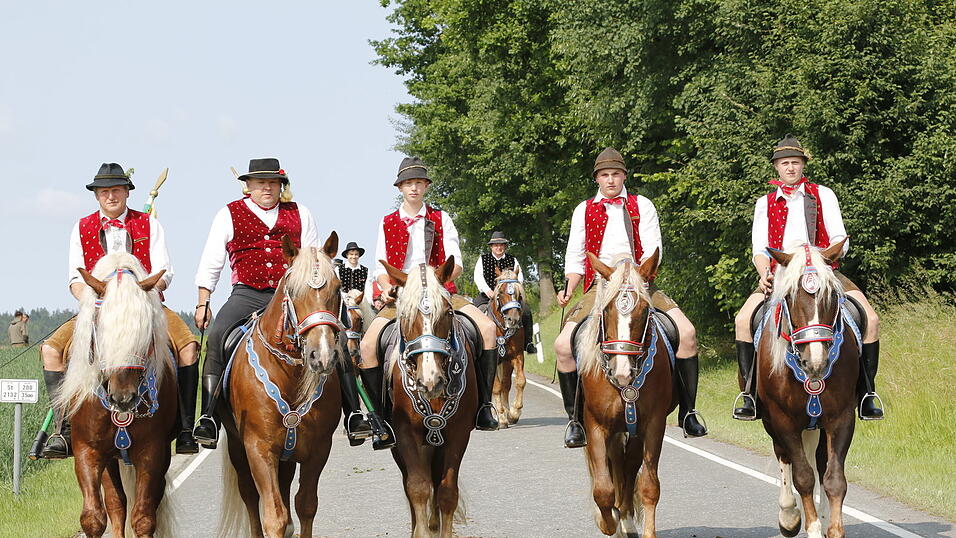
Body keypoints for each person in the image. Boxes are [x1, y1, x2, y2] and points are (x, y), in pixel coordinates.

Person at [191, 158, 371, 449]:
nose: (267, 187)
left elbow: (316, 259)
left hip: (296, 295)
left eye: (273, 183)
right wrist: (203, 302)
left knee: (335, 338)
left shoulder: (301, 212)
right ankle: (208, 417)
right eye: (260, 182)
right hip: (247, 293)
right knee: (216, 337)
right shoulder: (228, 214)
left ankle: (354, 415)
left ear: (281, 186)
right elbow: (212, 261)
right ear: (247, 186)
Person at [40, 163, 200, 459]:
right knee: (51, 350)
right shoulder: (82, 226)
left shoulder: (149, 224)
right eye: (104, 192)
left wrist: (143, 292)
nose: (110, 196)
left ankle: (186, 429)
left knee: (188, 347)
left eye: (116, 190)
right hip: (98, 308)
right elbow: (76, 277)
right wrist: (94, 300)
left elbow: (165, 271)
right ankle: (63, 431)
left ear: (127, 193)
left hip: (145, 306)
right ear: (97, 196)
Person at [554, 148, 708, 447]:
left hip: (640, 282)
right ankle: (575, 421)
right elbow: (575, 255)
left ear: (624, 176)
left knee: (687, 333)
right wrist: (570, 287)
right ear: (597, 179)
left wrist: (639, 273)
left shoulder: (642, 205)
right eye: (604, 175)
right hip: (601, 284)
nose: (610, 180)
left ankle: (688, 411)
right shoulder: (583, 210)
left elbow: (653, 248)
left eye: (615, 174)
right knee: (562, 345)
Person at [732, 134, 883, 421]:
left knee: (871, 320)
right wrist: (764, 272)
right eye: (785, 163)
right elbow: (759, 249)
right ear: (776, 167)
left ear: (803, 165)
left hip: (824, 271)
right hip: (782, 275)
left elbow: (840, 238)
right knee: (743, 321)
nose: (790, 168)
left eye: (795, 162)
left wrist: (819, 257)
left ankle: (866, 393)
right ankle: (749, 394)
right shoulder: (764, 203)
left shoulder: (823, 194)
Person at [357, 157, 501, 448]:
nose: (413, 187)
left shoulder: (441, 217)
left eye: (418, 182)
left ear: (425, 186)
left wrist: (437, 280)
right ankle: (380, 420)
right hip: (403, 295)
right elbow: (380, 269)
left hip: (441, 290)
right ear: (400, 187)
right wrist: (386, 289)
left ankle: (485, 405)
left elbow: (456, 262)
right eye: (408, 183)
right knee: (366, 346)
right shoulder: (387, 222)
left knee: (487, 329)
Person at [471, 231, 536, 353]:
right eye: (496, 245)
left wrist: (515, 290)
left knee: (526, 311)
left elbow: (519, 277)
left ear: (505, 246)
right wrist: (488, 291)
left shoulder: (513, 260)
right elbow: (478, 277)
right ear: (491, 247)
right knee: (475, 311)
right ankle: (475, 345)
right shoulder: (483, 259)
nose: (499, 247)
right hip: (488, 296)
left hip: (510, 297)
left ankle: (528, 343)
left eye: (501, 245)